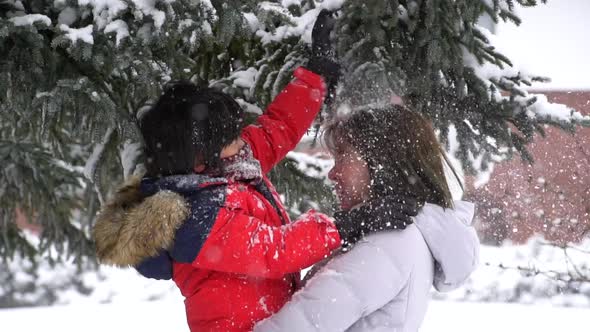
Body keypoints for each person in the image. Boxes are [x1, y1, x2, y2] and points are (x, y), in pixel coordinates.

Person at [92, 11, 420, 332]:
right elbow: (273, 250)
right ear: (200, 158)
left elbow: (277, 127)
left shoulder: (228, 165)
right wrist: (344, 225)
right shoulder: (195, 219)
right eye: (231, 138)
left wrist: (315, 75)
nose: (243, 141)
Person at [254, 106, 480, 332]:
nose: (332, 173)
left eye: (343, 156)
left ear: (381, 161)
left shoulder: (389, 242)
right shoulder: (394, 232)